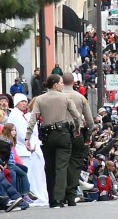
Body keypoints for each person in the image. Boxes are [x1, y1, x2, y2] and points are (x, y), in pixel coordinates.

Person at [25, 74, 83, 208]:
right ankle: (59, 198)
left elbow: (33, 119)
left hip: (47, 135)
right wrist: (77, 128)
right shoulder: (65, 97)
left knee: (49, 167)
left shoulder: (40, 99)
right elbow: (76, 115)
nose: (62, 85)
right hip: (63, 133)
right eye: (61, 83)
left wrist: (28, 136)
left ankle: (51, 198)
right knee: (61, 167)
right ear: (55, 84)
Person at [62, 73, 95, 205]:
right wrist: (89, 133)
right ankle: (71, 194)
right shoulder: (80, 97)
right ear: (74, 82)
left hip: (60, 132)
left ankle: (60, 193)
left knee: (60, 164)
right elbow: (90, 121)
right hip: (77, 133)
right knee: (75, 164)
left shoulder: (56, 96)